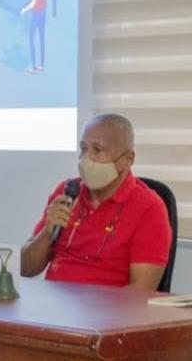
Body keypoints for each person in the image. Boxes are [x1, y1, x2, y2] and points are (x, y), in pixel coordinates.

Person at [21, 114, 171, 288]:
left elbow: (142, 291)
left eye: (97, 150)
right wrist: (47, 233)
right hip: (52, 308)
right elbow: (25, 269)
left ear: (127, 160)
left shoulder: (149, 208)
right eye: (83, 148)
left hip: (108, 312)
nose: (87, 158)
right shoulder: (66, 192)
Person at [20, 0, 50, 73]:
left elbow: (33, 3)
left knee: (31, 39)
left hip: (36, 14)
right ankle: (41, 65)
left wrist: (24, 9)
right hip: (43, 14)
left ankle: (33, 67)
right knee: (41, 39)